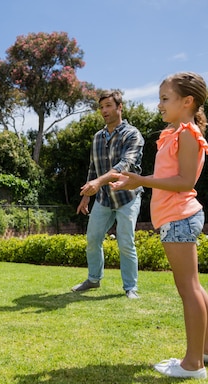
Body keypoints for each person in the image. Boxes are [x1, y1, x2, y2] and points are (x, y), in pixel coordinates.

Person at [111, 72, 208, 379]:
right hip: (176, 218)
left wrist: (141, 181)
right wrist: (136, 181)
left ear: (187, 101)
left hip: (179, 217)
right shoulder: (177, 133)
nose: (159, 104)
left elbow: (185, 181)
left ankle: (193, 364)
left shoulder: (188, 134)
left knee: (188, 288)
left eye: (165, 99)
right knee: (194, 287)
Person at [72, 90, 145, 299]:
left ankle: (130, 287)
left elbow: (124, 166)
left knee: (125, 241)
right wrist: (87, 195)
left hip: (127, 198)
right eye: (101, 107)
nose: (104, 111)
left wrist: (98, 182)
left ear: (119, 107)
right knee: (93, 238)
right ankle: (93, 279)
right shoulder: (97, 137)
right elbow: (93, 169)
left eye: (108, 106)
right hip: (103, 199)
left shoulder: (132, 135)